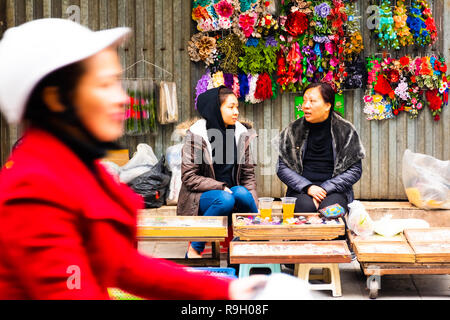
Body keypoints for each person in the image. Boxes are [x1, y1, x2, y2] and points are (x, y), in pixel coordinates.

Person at [0, 18, 267, 300]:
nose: (123, 99)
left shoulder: (81, 170)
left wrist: (234, 291)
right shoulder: (34, 190)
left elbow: (125, 266)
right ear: (56, 99)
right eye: (104, 84)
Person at [177, 86, 258, 258]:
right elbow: (189, 177)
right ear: (216, 109)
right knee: (224, 199)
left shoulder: (241, 134)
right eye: (230, 107)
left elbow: (248, 175)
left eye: (237, 107)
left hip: (232, 193)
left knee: (243, 193)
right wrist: (220, 187)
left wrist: (254, 205)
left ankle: (252, 243)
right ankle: (195, 248)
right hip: (201, 197)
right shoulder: (197, 136)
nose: (236, 112)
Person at [277, 82, 365, 214]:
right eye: (305, 100)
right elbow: (282, 167)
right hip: (301, 190)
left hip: (335, 190)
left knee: (331, 213)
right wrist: (308, 187)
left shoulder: (345, 130)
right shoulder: (293, 130)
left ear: (327, 105)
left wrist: (325, 188)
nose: (306, 105)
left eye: (312, 101)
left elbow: (355, 170)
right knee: (304, 210)